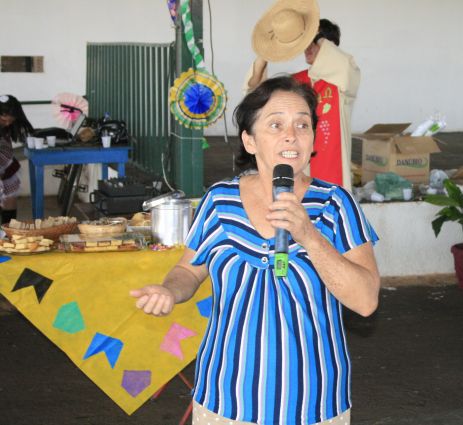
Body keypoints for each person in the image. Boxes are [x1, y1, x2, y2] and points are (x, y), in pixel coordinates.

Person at [131, 76, 380, 425]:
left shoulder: (336, 204)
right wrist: (169, 291)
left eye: (302, 125)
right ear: (249, 140)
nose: (291, 135)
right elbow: (189, 270)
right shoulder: (219, 200)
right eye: (276, 124)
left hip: (313, 402)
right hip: (225, 398)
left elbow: (366, 301)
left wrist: (309, 236)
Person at [248, 1, 360, 191]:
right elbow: (256, 96)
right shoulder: (296, 82)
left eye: (314, 43)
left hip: (333, 170)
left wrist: (317, 34)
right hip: (300, 164)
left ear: (329, 48)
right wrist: (265, 53)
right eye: (305, 42)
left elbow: (345, 66)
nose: (308, 48)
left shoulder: (342, 83)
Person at [0, 95, 33, 224]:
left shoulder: (6, 127)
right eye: (4, 120)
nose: (8, 124)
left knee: (9, 198)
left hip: (6, 165)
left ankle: (8, 231)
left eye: (11, 121)